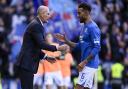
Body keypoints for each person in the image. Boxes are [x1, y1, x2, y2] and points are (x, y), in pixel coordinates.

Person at [15, 5, 67, 89]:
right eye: (48, 13)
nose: (49, 16)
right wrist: (57, 48)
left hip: (27, 63)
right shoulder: (36, 25)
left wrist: (46, 57)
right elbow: (41, 44)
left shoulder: (36, 24)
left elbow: (34, 47)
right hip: (26, 63)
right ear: (42, 14)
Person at [54, 3, 101, 89]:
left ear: (86, 13)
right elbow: (79, 46)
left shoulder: (93, 28)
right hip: (86, 63)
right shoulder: (84, 27)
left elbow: (97, 47)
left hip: (89, 64)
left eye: (79, 13)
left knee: (78, 87)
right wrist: (66, 41)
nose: (77, 15)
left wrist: (85, 62)